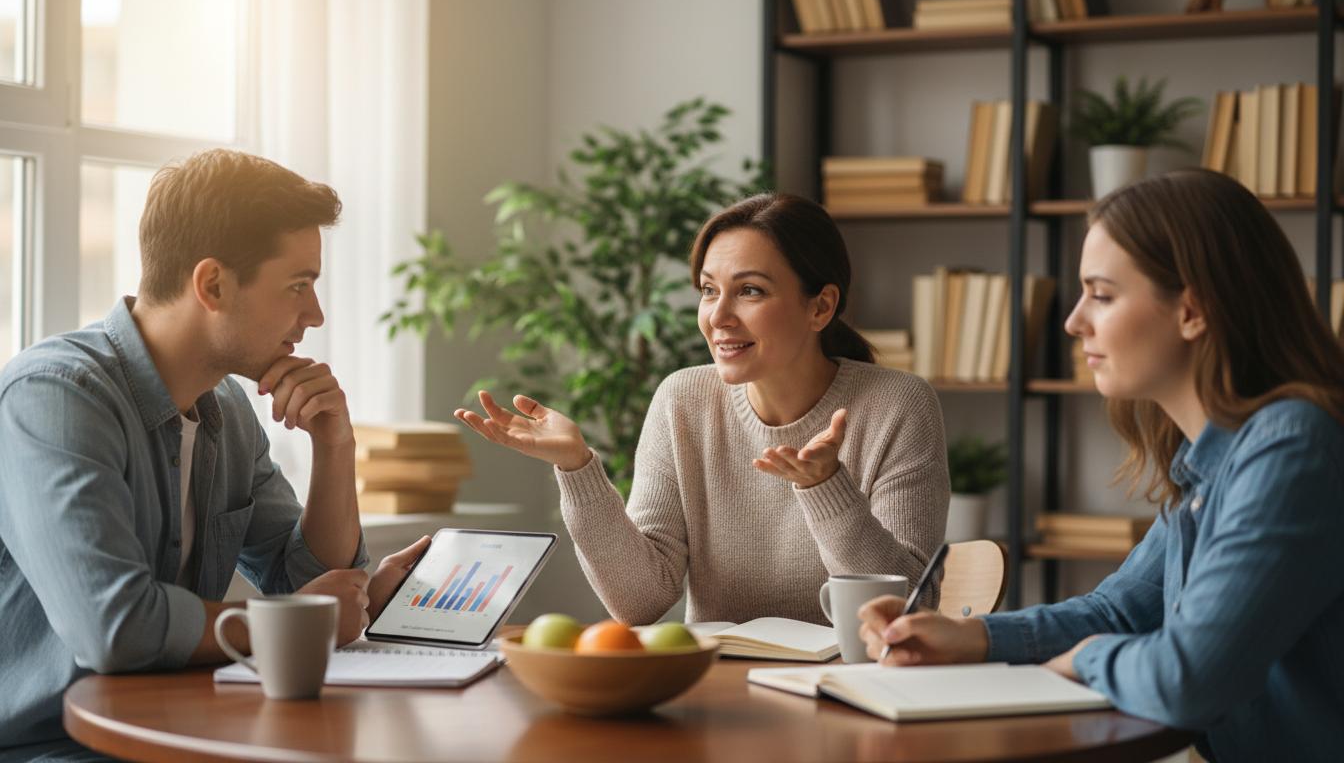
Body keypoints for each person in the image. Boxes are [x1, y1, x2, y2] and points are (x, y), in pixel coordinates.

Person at [857, 170, 1344, 762]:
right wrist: (971, 637)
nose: (1073, 321)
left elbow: (1188, 678)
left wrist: (1085, 660)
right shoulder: (1213, 458)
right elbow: (1117, 611)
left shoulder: (1292, 450)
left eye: (1103, 294)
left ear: (1192, 310)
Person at [0, 149, 428, 759]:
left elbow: (302, 581)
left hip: (179, 727)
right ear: (213, 284)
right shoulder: (56, 396)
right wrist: (297, 622)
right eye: (298, 286)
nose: (315, 314)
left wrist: (335, 446)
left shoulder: (224, 406)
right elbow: (114, 629)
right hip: (53, 746)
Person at [456, 193, 949, 626]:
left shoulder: (897, 405)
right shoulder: (683, 400)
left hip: (846, 692)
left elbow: (908, 607)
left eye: (750, 290)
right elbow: (641, 602)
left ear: (820, 307)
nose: (718, 316)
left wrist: (825, 488)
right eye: (710, 290)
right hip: (716, 695)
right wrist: (576, 466)